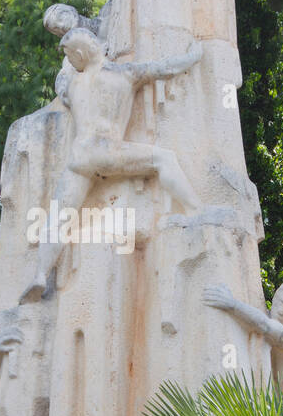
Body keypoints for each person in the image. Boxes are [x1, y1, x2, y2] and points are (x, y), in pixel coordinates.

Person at [21, 26, 203, 301]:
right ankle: (194, 210)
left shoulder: (73, 84)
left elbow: (65, 91)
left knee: (58, 218)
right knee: (164, 159)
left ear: (81, 54)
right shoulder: (124, 73)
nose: (72, 63)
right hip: (107, 152)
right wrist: (194, 55)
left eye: (72, 58)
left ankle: (39, 275)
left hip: (78, 158)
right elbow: (165, 68)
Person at [203, 279, 283, 385]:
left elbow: (268, 327)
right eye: (281, 302)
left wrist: (232, 304)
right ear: (275, 297)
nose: (282, 311)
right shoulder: (257, 316)